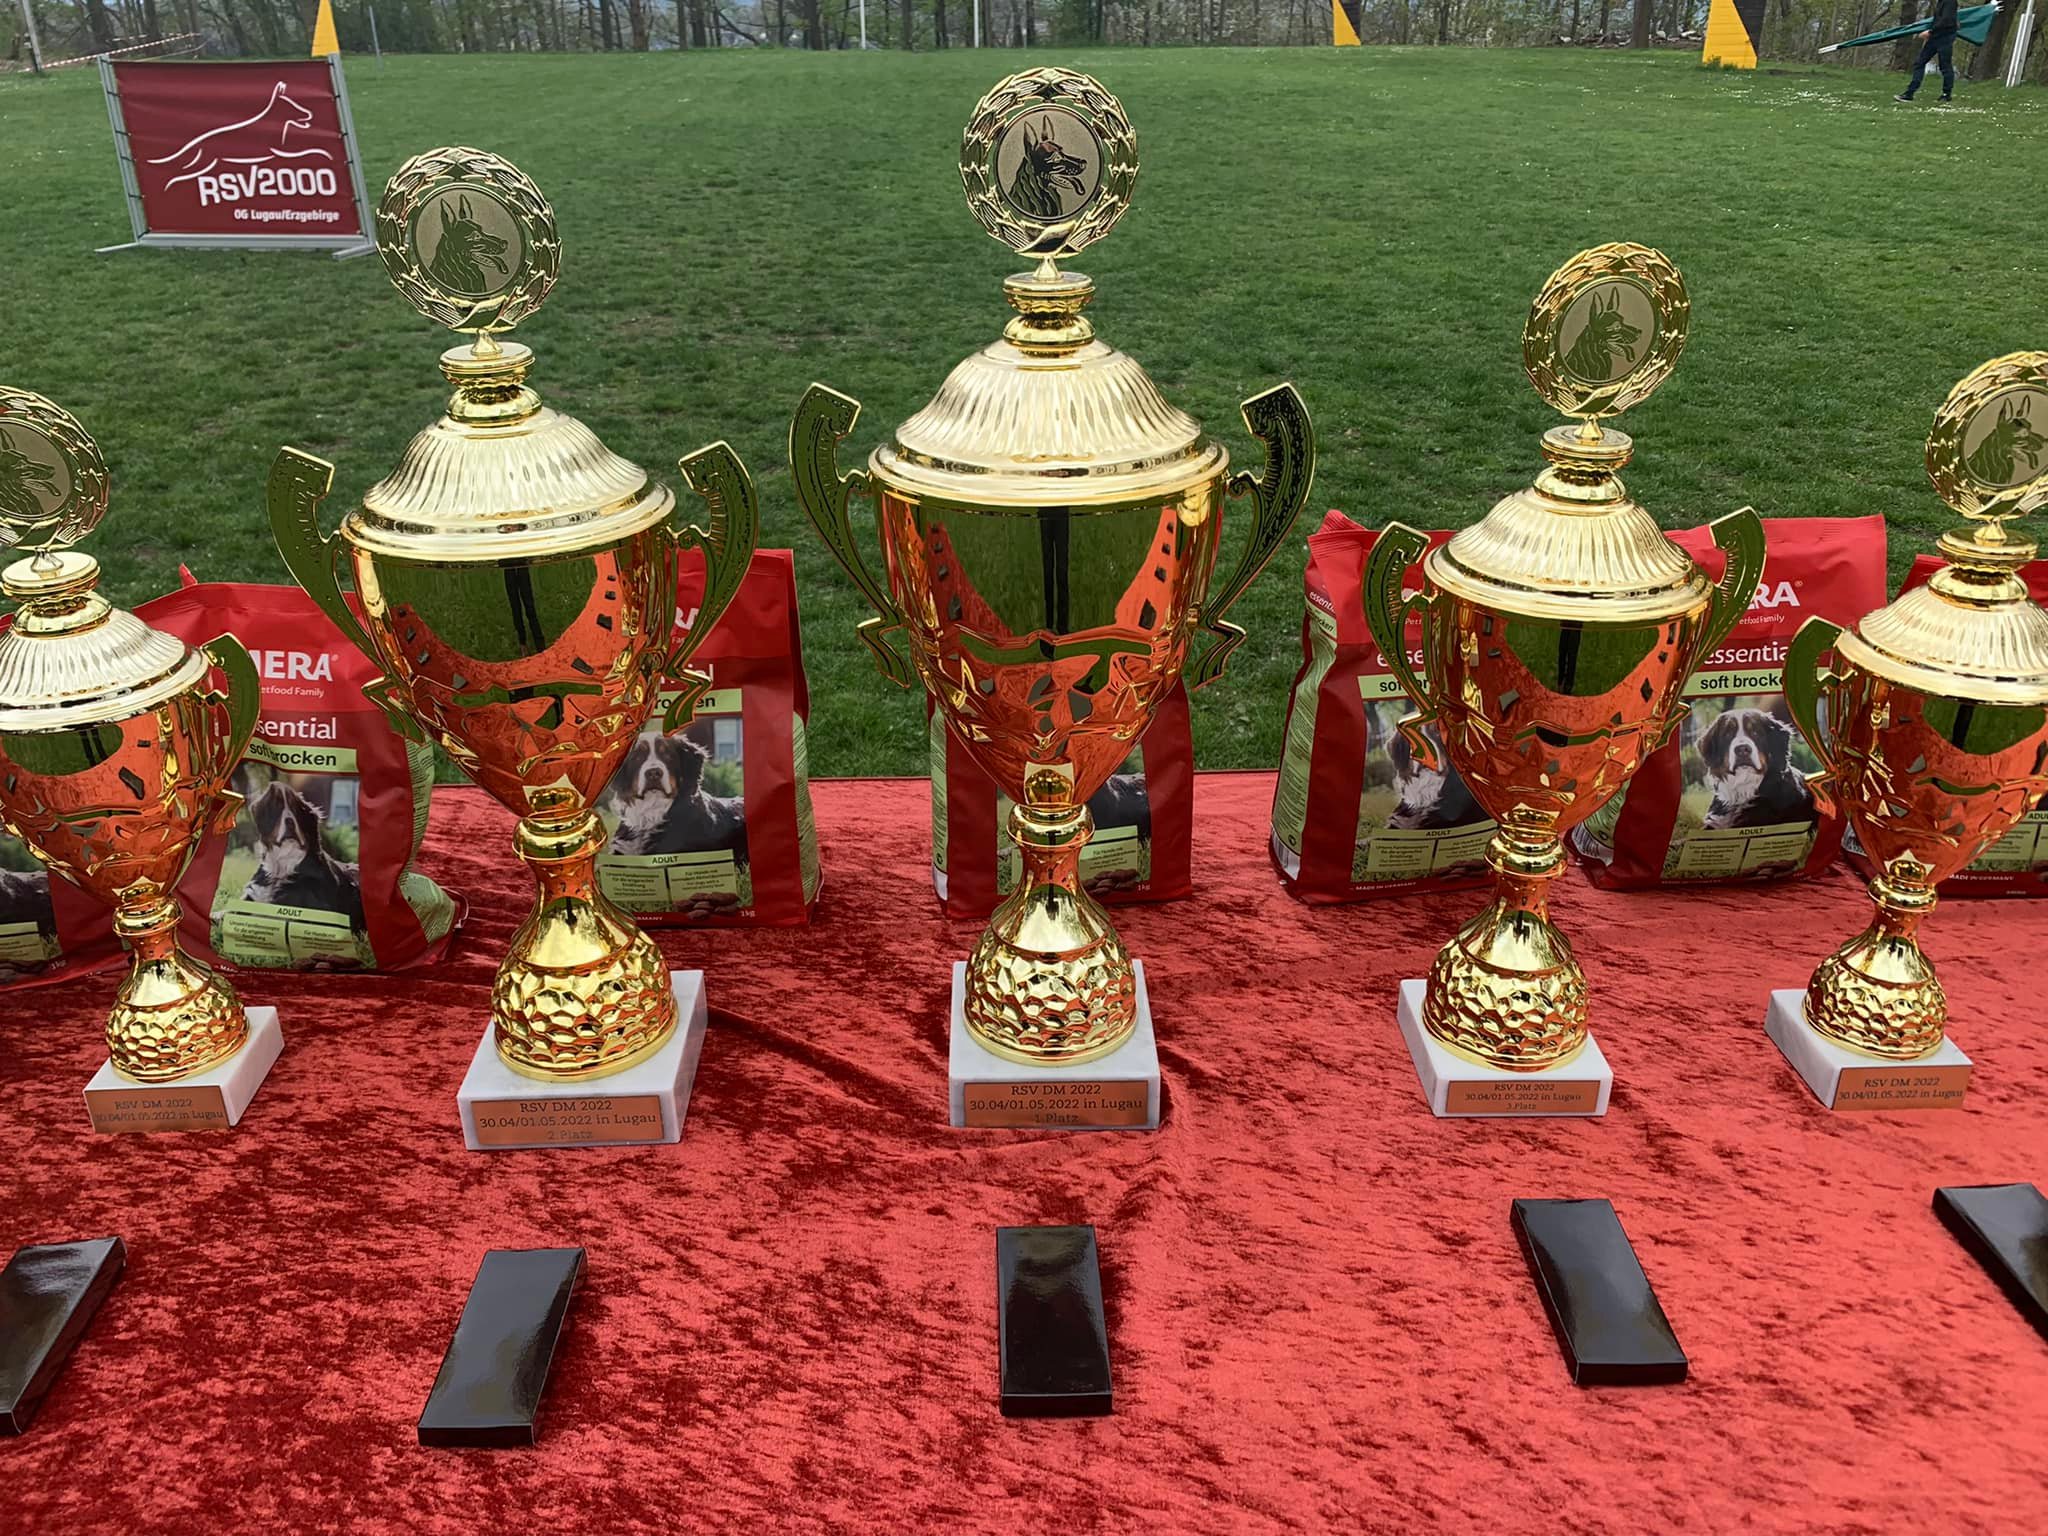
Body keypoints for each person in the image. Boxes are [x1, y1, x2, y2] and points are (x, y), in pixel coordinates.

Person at [1897, 0, 1960, 103]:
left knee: (1945, 66)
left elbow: (1947, 20)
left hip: (1945, 38)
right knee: (1919, 63)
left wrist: (1930, 32)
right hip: (1935, 37)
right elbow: (1939, 19)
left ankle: (1946, 94)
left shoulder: (1950, 1)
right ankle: (1909, 93)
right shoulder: (1941, 2)